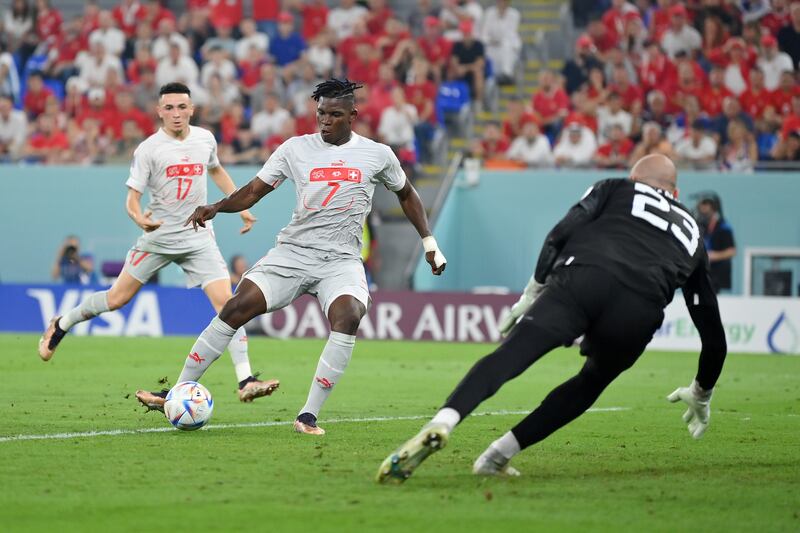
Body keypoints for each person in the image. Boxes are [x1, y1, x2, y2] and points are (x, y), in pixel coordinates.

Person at [377, 154, 727, 483]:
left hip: (584, 278)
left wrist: (533, 290)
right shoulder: (694, 233)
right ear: (676, 193)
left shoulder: (616, 187)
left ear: (635, 178)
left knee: (511, 355)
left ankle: (444, 421)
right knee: (590, 382)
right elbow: (712, 332)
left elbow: (561, 233)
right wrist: (702, 392)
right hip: (640, 308)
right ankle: (498, 456)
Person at [136, 79, 448, 436]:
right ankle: (177, 390)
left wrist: (429, 241)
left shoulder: (377, 154)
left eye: (334, 114)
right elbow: (255, 190)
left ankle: (308, 416)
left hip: (340, 260)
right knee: (237, 307)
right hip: (293, 253)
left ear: (352, 115)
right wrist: (217, 207)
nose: (325, 121)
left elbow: (407, 194)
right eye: (321, 114)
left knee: (348, 316)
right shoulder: (295, 148)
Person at [38, 82, 279, 406]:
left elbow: (217, 170)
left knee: (229, 305)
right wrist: (138, 217)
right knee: (116, 298)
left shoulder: (205, 139)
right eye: (169, 108)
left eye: (182, 107)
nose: (176, 114)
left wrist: (243, 206)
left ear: (192, 109)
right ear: (159, 111)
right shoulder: (149, 149)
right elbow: (132, 198)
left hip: (197, 237)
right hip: (158, 238)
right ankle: (62, 324)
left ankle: (246, 380)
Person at [695, 193, 736, 293]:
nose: (702, 208)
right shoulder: (699, 225)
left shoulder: (723, 227)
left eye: (705, 204)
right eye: (701, 204)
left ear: (713, 207)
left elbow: (732, 251)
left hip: (716, 276)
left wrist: (712, 256)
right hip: (700, 274)